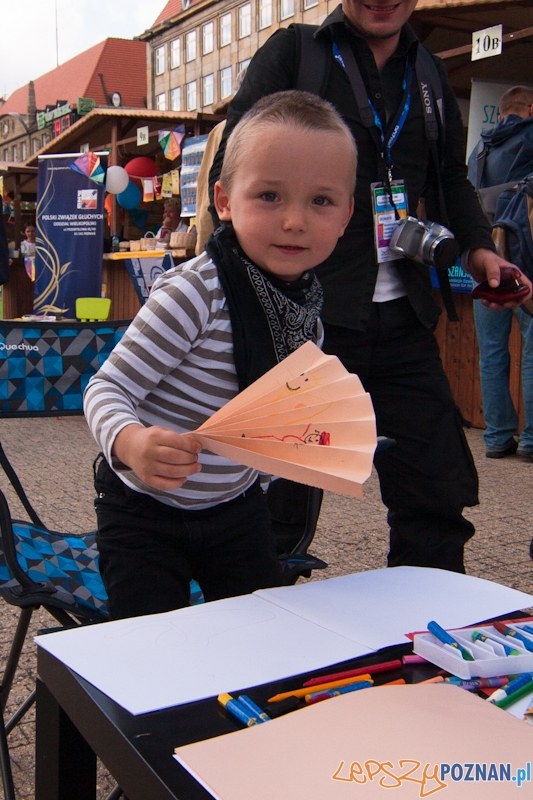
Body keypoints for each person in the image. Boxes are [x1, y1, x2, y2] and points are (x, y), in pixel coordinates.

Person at [209, 0, 533, 574]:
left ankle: (424, 614)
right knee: (275, 500)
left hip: (404, 315)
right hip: (301, 317)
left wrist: (480, 247)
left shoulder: (427, 69)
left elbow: (450, 176)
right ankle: (254, 616)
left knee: (436, 492)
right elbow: (232, 172)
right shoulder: (296, 53)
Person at [83, 90, 356, 620]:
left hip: (236, 509)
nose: (294, 220)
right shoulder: (196, 293)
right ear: (225, 201)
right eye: (270, 195)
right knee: (149, 642)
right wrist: (131, 442)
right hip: (143, 510)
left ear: (346, 215)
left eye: (320, 201)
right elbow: (106, 387)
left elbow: (273, 427)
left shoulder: (307, 317)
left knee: (255, 631)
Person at [467, 86, 533, 460]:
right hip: (526, 257)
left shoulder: (480, 150)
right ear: (531, 108)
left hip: (486, 258)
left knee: (491, 351)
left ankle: (496, 437)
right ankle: (532, 439)